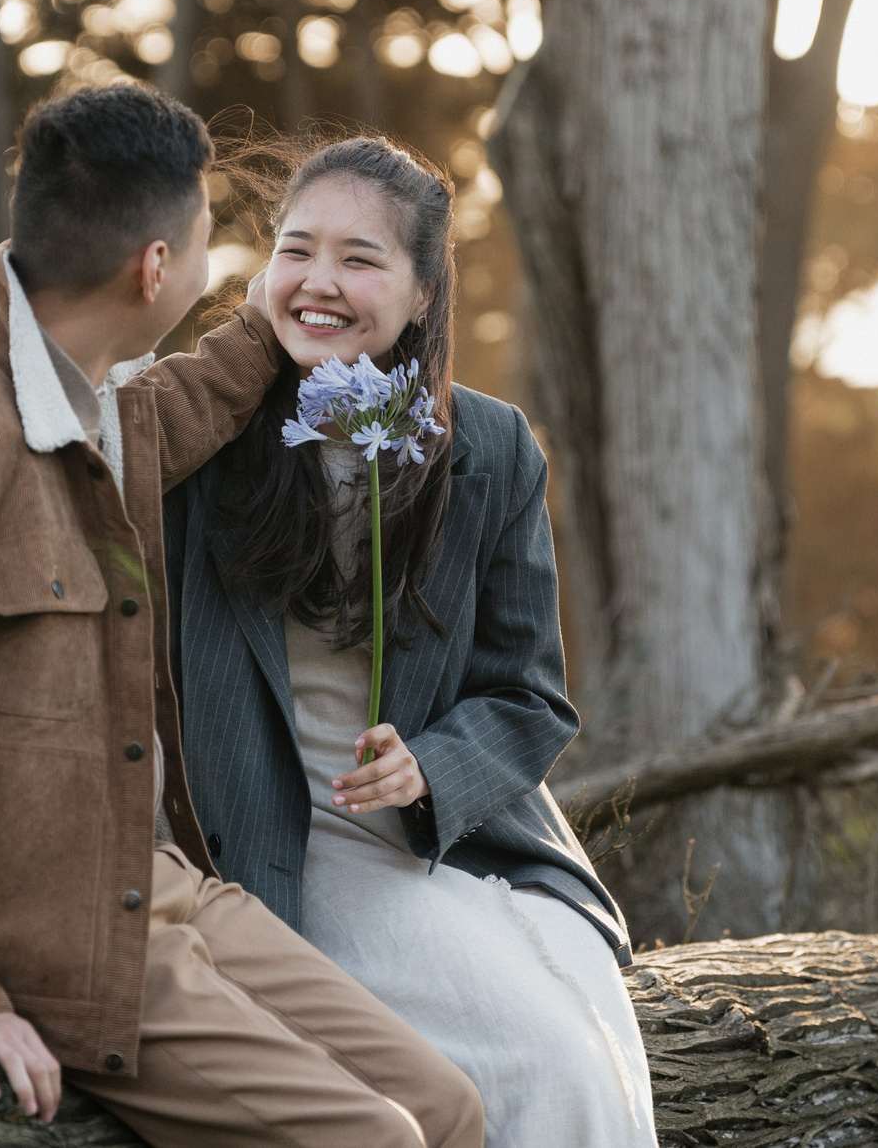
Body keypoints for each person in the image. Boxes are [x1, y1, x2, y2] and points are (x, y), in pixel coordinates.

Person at [0, 85, 485, 1148]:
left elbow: (177, 406)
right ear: (153, 268)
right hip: (30, 926)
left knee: (449, 1109)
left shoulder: (66, 381)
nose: (216, 270)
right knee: (375, 1141)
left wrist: (301, 311)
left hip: (149, 881)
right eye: (206, 246)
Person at [165, 136, 659, 1148]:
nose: (318, 283)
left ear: (423, 293)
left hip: (457, 839)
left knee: (585, 1037)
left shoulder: (487, 449)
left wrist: (426, 768)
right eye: (296, 251)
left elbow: (530, 696)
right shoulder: (199, 433)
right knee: (543, 1060)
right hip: (281, 840)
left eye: (361, 259)